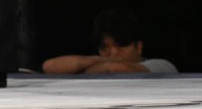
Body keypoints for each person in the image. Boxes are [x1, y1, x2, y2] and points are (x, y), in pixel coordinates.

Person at [42, 8, 178, 74]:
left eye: (121, 45)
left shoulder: (162, 66)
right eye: (104, 47)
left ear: (138, 47)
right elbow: (49, 66)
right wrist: (97, 61)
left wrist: (82, 72)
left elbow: (113, 68)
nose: (113, 53)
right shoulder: (98, 66)